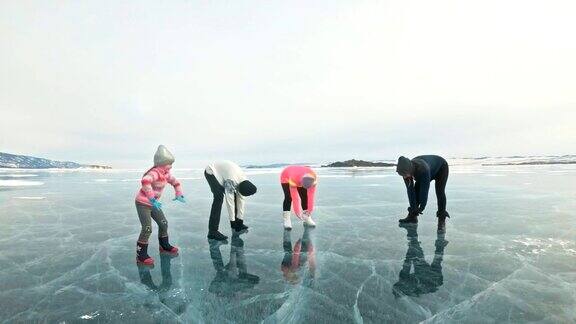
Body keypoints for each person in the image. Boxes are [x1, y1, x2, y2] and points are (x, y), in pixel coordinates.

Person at [135, 145, 185, 266]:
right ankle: (140, 255)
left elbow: (175, 182)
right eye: (169, 163)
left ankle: (164, 245)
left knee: (164, 223)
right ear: (161, 163)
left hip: (153, 204)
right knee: (147, 229)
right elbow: (145, 181)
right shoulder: (155, 172)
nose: (171, 166)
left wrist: (179, 193)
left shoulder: (166, 173)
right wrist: (152, 198)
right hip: (143, 203)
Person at [204, 160, 257, 241]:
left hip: (224, 173)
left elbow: (241, 200)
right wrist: (232, 222)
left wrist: (240, 220)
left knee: (236, 197)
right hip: (211, 172)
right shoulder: (231, 181)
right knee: (218, 197)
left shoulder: (244, 180)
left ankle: (237, 223)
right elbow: (230, 202)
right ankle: (212, 231)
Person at [392, 223, 448, 298]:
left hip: (431, 278)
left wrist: (412, 249)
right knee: (419, 254)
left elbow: (408, 261)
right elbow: (407, 261)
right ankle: (412, 231)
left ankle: (439, 241)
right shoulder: (406, 282)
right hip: (432, 278)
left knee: (433, 255)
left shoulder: (405, 282)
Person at [396, 155, 450, 230]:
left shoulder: (423, 169)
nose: (404, 177)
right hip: (424, 170)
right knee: (416, 190)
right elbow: (410, 190)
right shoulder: (405, 170)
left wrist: (421, 208)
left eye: (405, 175)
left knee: (440, 191)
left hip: (441, 168)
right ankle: (412, 217)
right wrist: (414, 209)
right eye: (402, 175)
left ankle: (442, 220)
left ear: (409, 170)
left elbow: (424, 191)